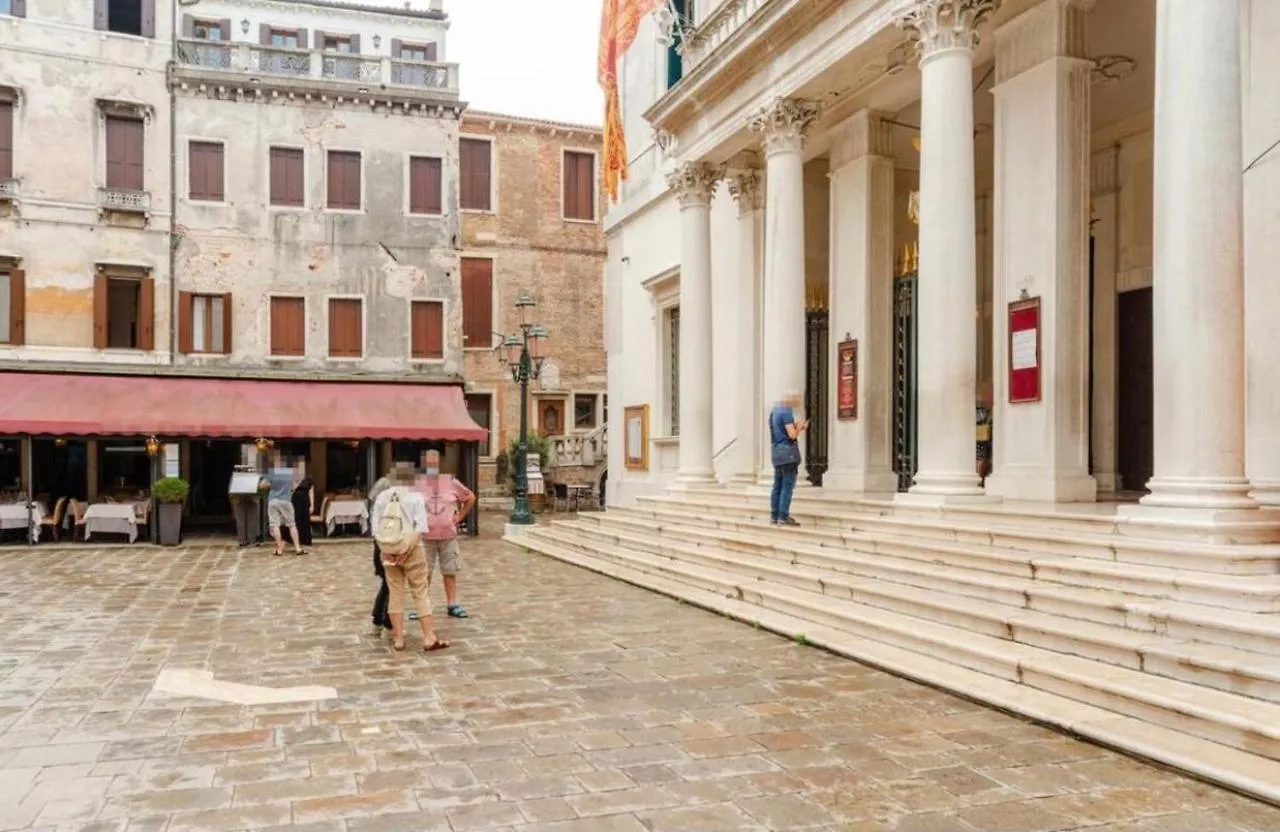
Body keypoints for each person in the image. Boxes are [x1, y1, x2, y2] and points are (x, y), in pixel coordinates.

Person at [371, 463, 449, 652]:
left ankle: (398, 638)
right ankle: (429, 637)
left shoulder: (382, 497)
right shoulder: (415, 497)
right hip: (411, 549)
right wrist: (406, 550)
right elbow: (420, 527)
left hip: (388, 549)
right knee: (420, 592)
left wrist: (387, 550)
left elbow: (375, 527)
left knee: (395, 593)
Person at [414, 449, 476, 619]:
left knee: (450, 571)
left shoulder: (451, 482)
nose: (432, 465)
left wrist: (460, 516)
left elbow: (470, 497)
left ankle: (452, 604)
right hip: (425, 537)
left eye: (434, 462)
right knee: (423, 573)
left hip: (448, 536)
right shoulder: (418, 484)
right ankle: (422, 606)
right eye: (429, 462)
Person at [769, 391, 808, 526]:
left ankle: (774, 515)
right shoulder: (786, 412)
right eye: (796, 399)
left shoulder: (774, 412)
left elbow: (777, 433)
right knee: (787, 486)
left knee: (777, 485)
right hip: (788, 454)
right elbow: (792, 435)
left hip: (776, 453)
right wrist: (801, 427)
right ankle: (783, 516)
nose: (798, 402)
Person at [265, 453, 306, 556]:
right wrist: (296, 485)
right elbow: (295, 484)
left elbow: (263, 485)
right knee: (292, 524)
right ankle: (298, 548)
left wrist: (270, 484)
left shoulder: (271, 473)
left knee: (275, 525)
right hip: (286, 501)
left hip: (273, 501)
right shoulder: (290, 473)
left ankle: (279, 549)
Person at [368, 471, 393, 636]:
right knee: (390, 584)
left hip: (380, 544)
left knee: (388, 584)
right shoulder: (387, 508)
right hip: (388, 544)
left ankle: (381, 618)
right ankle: (384, 618)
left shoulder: (376, 507)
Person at [289, 465, 315, 548]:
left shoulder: (308, 479)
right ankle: (296, 540)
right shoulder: (292, 478)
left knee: (305, 520)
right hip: (295, 501)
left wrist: (312, 505)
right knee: (296, 519)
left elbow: (311, 492)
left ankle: (306, 540)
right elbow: (291, 490)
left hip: (305, 501)